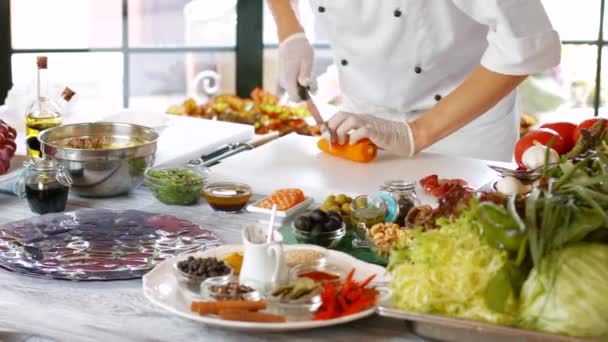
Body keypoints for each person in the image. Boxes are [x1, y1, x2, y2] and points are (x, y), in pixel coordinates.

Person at [268, 1, 561, 162]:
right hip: (362, 125)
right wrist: (289, 31)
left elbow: (526, 44)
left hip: (462, 130)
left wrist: (414, 134)